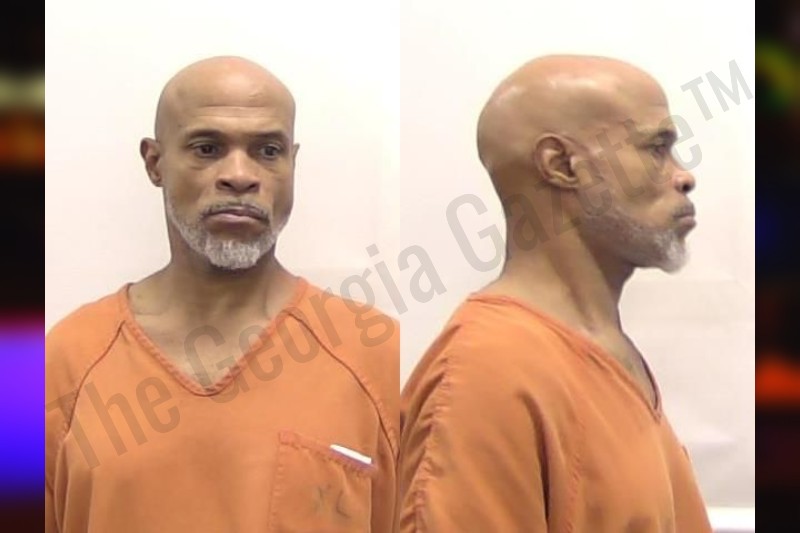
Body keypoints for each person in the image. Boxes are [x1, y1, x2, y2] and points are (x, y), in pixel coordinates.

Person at [45, 56, 398, 532]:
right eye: (207, 148)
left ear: (292, 163)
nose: (240, 174)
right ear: (154, 162)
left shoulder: (378, 357)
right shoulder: (61, 364)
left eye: (267, 151)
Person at [397, 55, 712, 532]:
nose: (684, 175)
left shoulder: (600, 351)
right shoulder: (487, 373)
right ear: (562, 165)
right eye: (656, 148)